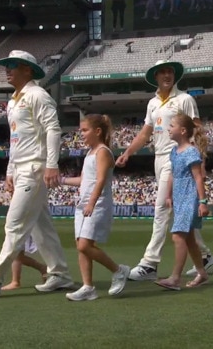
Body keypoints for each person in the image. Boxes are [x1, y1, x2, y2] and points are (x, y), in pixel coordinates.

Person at [0, 50, 74, 297]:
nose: (8, 69)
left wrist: (52, 164)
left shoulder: (38, 95)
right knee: (40, 227)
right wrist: (10, 170)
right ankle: (61, 275)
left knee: (14, 224)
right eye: (7, 65)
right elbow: (16, 140)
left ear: (28, 70)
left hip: (35, 168)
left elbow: (53, 129)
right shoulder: (14, 101)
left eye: (13, 65)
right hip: (22, 167)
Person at [116, 60, 213, 281]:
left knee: (161, 209)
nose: (167, 75)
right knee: (181, 213)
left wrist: (202, 162)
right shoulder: (152, 104)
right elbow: (145, 133)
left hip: (179, 158)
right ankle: (205, 256)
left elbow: (198, 130)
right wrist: (128, 152)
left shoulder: (184, 99)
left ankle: (149, 263)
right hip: (159, 158)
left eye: (170, 71)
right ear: (156, 77)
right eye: (162, 72)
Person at [61, 114, 130, 301]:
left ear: (97, 131)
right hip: (83, 204)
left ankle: (118, 270)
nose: (81, 134)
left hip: (96, 204)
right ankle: (87, 287)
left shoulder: (102, 152)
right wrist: (61, 181)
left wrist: (91, 202)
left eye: (84, 130)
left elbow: (100, 180)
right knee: (82, 247)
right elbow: (84, 180)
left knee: (84, 245)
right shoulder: (90, 153)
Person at [155, 114, 210, 290]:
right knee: (190, 239)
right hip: (179, 198)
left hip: (190, 197)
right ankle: (201, 273)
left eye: (171, 126)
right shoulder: (174, 151)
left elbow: (198, 177)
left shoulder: (191, 152)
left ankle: (175, 278)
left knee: (178, 236)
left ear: (183, 130)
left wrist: (202, 201)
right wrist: (169, 194)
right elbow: (173, 173)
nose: (168, 129)